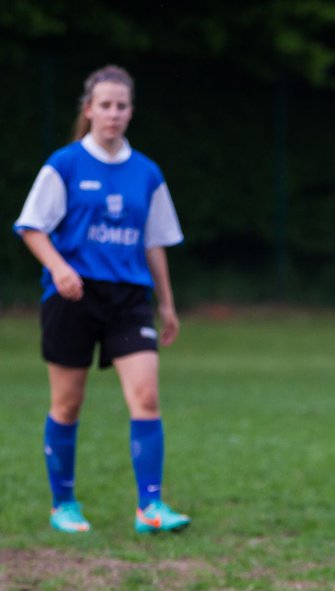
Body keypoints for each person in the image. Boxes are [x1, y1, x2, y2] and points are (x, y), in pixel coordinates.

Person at [13, 65, 190, 535]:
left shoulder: (147, 173)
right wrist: (59, 266)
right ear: (88, 109)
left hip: (129, 300)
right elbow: (31, 227)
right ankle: (63, 504)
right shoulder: (65, 165)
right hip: (73, 297)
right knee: (68, 404)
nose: (113, 114)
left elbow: (155, 243)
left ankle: (150, 508)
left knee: (146, 396)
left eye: (122, 106)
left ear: (131, 112)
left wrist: (167, 304)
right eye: (105, 105)